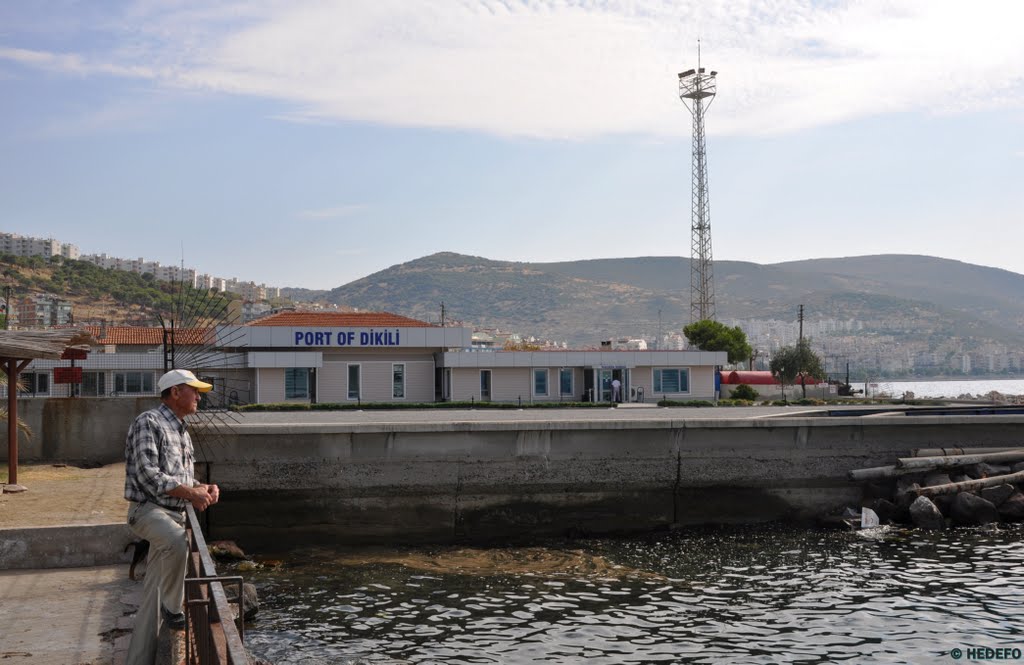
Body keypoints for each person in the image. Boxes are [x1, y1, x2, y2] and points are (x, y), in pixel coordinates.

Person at [124, 369, 220, 665]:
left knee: (151, 598)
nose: (199, 396)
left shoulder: (181, 430)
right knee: (178, 542)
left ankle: (138, 660)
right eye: (194, 390)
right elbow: (148, 475)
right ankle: (174, 609)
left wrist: (201, 488)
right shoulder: (148, 422)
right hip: (148, 511)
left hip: (170, 514)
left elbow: (179, 479)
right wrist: (191, 493)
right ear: (175, 392)